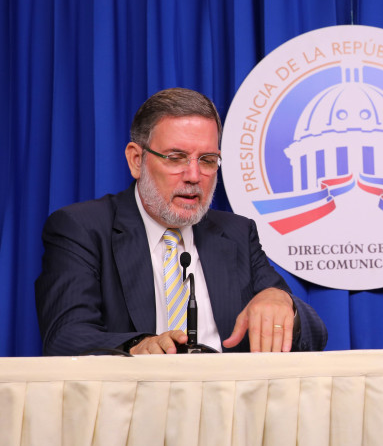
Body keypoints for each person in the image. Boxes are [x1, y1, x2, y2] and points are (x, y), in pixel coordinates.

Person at [35, 88, 327, 355]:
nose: (194, 176)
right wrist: (138, 346)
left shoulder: (237, 233)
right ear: (136, 160)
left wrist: (281, 302)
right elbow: (65, 337)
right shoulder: (82, 229)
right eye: (176, 158)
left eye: (207, 160)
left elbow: (315, 336)